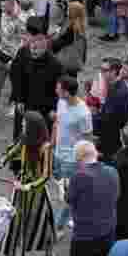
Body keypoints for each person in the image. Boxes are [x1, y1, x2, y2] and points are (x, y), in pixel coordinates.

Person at [57, 141, 119, 256]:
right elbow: (116, 197)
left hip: (85, 238)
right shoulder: (112, 172)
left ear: (79, 158)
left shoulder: (79, 176)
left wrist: (62, 187)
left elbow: (67, 200)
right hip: (107, 236)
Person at [0, 111, 57, 256]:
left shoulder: (45, 148)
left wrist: (28, 186)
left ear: (32, 127)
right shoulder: (24, 139)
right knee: (11, 229)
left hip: (37, 196)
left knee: (41, 228)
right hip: (20, 192)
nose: (22, 126)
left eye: (24, 124)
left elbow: (46, 175)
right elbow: (11, 151)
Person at [9, 16, 64, 140]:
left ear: (46, 40)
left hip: (44, 111)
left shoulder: (55, 65)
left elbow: (59, 91)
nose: (33, 46)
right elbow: (15, 76)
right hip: (24, 107)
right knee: (20, 141)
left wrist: (54, 109)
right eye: (32, 41)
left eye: (38, 41)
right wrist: (19, 99)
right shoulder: (23, 53)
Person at [53, 76, 93, 234]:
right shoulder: (61, 102)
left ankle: (59, 225)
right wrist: (51, 143)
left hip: (72, 159)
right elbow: (58, 122)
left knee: (68, 195)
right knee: (62, 189)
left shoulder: (83, 113)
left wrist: (85, 161)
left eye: (58, 88)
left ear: (67, 93)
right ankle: (77, 213)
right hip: (58, 154)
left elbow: (88, 137)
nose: (56, 90)